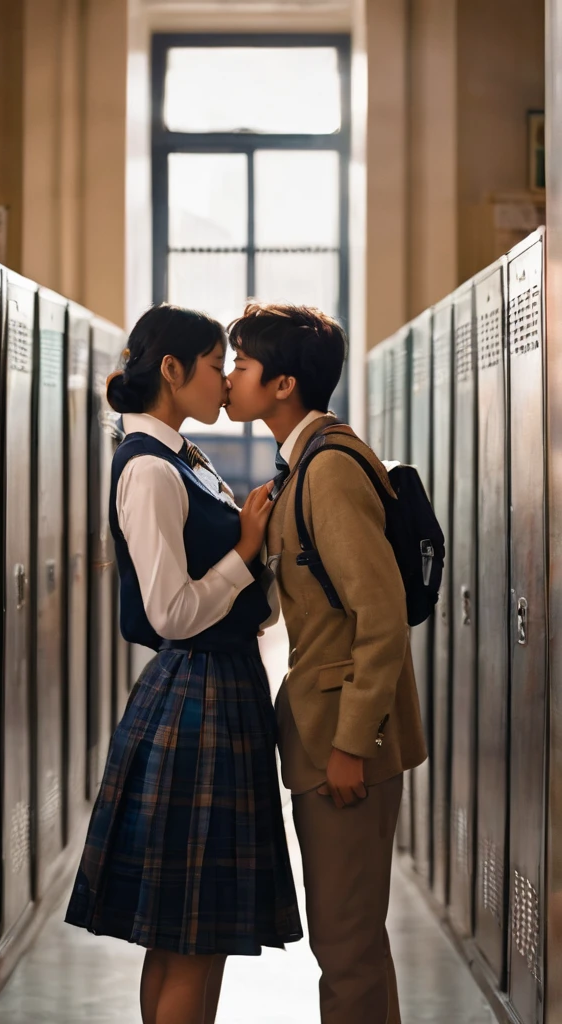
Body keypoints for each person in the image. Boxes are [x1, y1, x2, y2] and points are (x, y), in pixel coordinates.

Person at [65, 303, 302, 1024]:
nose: (224, 382)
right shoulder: (149, 470)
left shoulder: (178, 456)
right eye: (211, 366)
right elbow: (170, 611)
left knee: (182, 939)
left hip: (212, 689)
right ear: (171, 371)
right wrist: (243, 550)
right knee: (190, 943)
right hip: (198, 694)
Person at [225, 302, 428, 1024]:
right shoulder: (303, 466)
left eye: (241, 366)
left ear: (283, 385)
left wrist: (349, 745)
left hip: (347, 746)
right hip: (328, 732)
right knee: (355, 946)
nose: (227, 380)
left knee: (345, 951)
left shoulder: (328, 471)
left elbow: (380, 618)